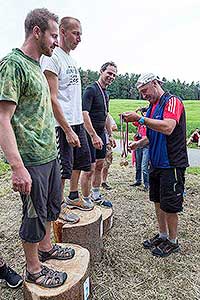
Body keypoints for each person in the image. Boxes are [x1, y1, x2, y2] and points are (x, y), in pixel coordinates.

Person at [0, 8, 75, 288]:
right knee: (33, 216)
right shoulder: (13, 64)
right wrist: (18, 167)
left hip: (49, 154)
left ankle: (46, 249)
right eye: (54, 35)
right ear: (36, 32)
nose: (56, 41)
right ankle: (34, 269)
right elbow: (3, 118)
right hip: (30, 158)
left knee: (48, 209)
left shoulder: (37, 66)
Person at [123, 73, 189, 257]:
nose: (144, 96)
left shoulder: (172, 101)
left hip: (172, 163)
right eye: (141, 93)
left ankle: (173, 241)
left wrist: (140, 119)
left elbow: (168, 127)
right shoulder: (152, 107)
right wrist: (139, 144)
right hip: (156, 162)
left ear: (154, 84)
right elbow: (152, 136)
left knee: (170, 205)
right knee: (158, 201)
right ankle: (162, 235)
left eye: (145, 91)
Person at [41, 16, 93, 224]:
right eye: (75, 33)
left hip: (76, 121)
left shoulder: (71, 59)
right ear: (62, 32)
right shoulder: (52, 58)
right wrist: (67, 130)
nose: (79, 38)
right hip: (61, 124)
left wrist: (78, 125)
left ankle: (73, 197)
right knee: (63, 169)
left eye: (80, 34)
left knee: (80, 162)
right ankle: (58, 206)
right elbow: (52, 98)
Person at [81, 62, 117, 207]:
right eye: (109, 73)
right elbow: (84, 114)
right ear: (101, 71)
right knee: (89, 168)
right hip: (89, 134)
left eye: (114, 75)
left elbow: (106, 115)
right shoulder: (90, 89)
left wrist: (110, 135)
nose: (111, 77)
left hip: (101, 134)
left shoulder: (106, 93)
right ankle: (85, 198)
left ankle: (96, 194)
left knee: (100, 165)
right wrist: (93, 135)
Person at [130, 107, 149, 191]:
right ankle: (138, 180)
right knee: (138, 164)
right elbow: (133, 121)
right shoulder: (140, 122)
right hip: (139, 144)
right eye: (143, 113)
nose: (144, 114)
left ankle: (146, 184)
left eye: (146, 112)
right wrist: (136, 111)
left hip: (146, 145)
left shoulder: (150, 122)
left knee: (144, 166)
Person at [101, 114, 118, 190]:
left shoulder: (108, 116)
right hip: (96, 141)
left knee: (107, 163)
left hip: (107, 143)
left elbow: (115, 127)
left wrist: (106, 128)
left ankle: (103, 181)